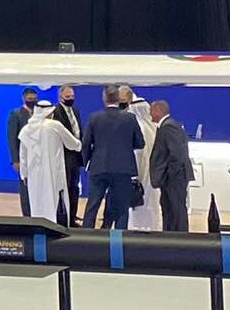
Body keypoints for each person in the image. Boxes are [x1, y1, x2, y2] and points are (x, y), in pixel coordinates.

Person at [80, 85, 145, 229]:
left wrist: (87, 162)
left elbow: (86, 144)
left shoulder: (94, 117)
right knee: (122, 208)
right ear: (118, 99)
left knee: (93, 205)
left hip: (99, 167)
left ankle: (86, 236)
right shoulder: (130, 118)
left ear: (104, 99)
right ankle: (119, 239)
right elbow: (140, 143)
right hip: (123, 169)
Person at [18, 101, 82, 222]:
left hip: (34, 174)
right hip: (53, 172)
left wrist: (24, 174)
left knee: (36, 201)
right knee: (52, 201)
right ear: (49, 113)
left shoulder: (26, 130)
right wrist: (81, 145)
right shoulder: (55, 126)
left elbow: (23, 155)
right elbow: (73, 144)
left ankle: (37, 226)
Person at [148, 98, 193, 232]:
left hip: (174, 178)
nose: (149, 113)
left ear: (158, 111)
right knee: (169, 209)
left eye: (151, 110)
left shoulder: (168, 127)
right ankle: (169, 235)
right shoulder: (167, 126)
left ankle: (179, 237)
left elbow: (177, 154)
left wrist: (169, 174)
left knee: (176, 210)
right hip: (171, 178)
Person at [122, 86, 160, 230]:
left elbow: (138, 154)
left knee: (139, 208)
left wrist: (133, 176)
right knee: (151, 205)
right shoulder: (154, 128)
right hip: (153, 174)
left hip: (141, 175)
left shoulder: (140, 129)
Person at [52, 84, 84, 219]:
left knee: (74, 187)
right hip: (64, 155)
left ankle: (73, 215)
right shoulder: (56, 112)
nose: (70, 98)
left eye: (72, 96)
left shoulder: (75, 111)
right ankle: (63, 217)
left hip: (76, 156)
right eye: (67, 96)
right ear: (60, 97)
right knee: (64, 187)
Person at [7, 86, 40, 213]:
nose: (33, 101)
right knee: (25, 187)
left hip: (39, 157)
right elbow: (12, 138)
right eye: (30, 99)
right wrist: (15, 160)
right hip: (23, 158)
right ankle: (27, 214)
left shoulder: (40, 113)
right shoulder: (16, 114)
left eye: (35, 99)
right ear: (24, 98)